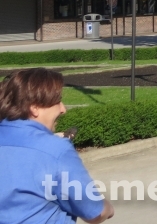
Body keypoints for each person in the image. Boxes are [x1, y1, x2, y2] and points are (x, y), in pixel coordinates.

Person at [0, 68, 114, 224]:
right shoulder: (56, 150)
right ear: (34, 107)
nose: (63, 109)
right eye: (57, 101)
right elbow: (94, 212)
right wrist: (108, 208)